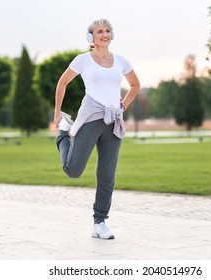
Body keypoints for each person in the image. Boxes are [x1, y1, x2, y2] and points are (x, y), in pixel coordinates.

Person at [54, 18, 140, 239]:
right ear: (91, 37)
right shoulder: (83, 60)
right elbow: (62, 82)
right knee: (73, 171)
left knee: (107, 176)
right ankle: (63, 134)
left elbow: (135, 84)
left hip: (113, 121)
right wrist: (57, 113)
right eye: (99, 31)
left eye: (108, 30)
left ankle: (99, 222)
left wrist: (124, 104)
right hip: (91, 117)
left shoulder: (120, 60)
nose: (105, 34)